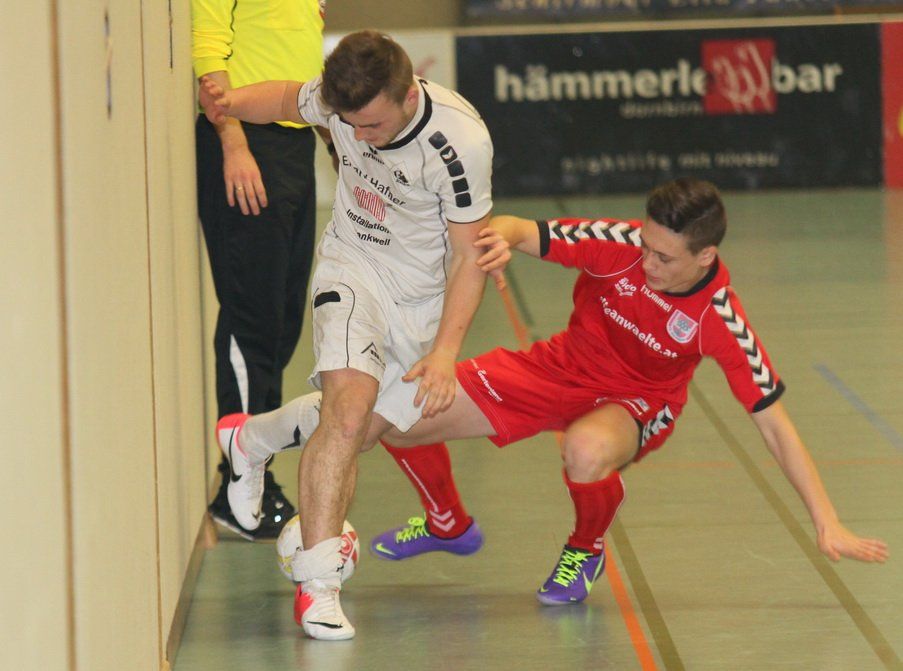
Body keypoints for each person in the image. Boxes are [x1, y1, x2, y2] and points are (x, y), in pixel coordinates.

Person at [214, 178, 888, 618]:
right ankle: (447, 522)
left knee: (585, 451)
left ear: (705, 258)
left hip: (634, 404)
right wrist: (498, 243)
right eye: (646, 245)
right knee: (401, 413)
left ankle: (584, 547)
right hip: (555, 368)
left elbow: (774, 424)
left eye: (664, 258)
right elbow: (516, 226)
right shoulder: (620, 246)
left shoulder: (721, 318)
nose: (647, 262)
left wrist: (826, 520)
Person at [198, 30, 494, 640]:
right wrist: (229, 105)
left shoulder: (460, 142)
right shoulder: (340, 103)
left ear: (408, 96)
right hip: (352, 270)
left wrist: (445, 353)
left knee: (360, 433)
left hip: (422, 301)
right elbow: (286, 98)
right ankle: (319, 588)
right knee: (348, 412)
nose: (359, 138)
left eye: (373, 126)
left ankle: (251, 439)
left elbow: (471, 257)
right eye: (349, 126)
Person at [192, 0, 327, 539]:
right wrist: (233, 142)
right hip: (248, 142)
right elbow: (209, 55)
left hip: (292, 142)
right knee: (252, 315)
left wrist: (332, 137)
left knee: (282, 319)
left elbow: (296, 56)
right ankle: (238, 486)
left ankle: (255, 472)